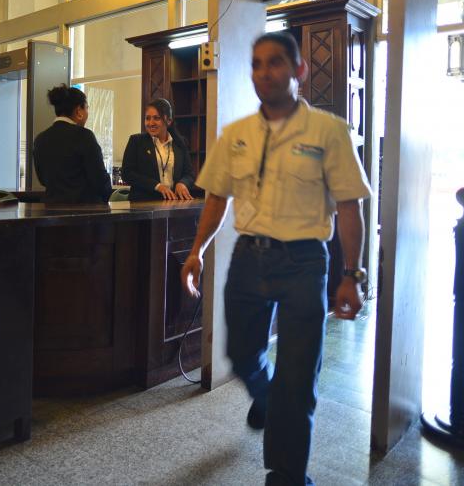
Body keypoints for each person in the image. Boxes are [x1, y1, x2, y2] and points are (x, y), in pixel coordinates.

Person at [180, 32, 371, 486]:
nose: (265, 73)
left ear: (299, 70)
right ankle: (266, 397)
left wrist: (352, 275)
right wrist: (196, 251)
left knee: (298, 376)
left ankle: (286, 475)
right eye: (257, 64)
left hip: (306, 262)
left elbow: (349, 206)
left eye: (276, 63)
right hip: (249, 259)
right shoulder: (236, 134)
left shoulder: (329, 131)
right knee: (241, 353)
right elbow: (216, 197)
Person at [32, 84, 112, 204]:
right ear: (79, 111)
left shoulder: (40, 139)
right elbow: (98, 178)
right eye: (86, 108)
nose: (87, 113)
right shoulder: (84, 136)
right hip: (84, 213)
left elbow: (43, 179)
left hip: (50, 211)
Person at [121, 98, 195, 201]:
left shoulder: (179, 143)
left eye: (156, 118)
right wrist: (157, 186)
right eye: (147, 118)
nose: (151, 123)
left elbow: (189, 174)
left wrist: (182, 183)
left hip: (173, 203)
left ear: (168, 120)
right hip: (143, 205)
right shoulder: (136, 141)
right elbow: (127, 173)